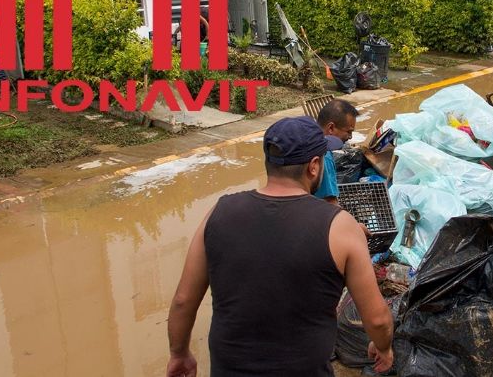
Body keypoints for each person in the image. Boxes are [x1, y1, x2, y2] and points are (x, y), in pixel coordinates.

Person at [166, 116, 394, 377]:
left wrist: (179, 353)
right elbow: (377, 319)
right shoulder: (342, 227)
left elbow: (183, 301)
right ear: (314, 166)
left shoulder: (219, 212)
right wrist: (384, 346)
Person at [314, 98, 358, 204]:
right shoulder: (324, 156)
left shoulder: (304, 141)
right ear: (331, 128)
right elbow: (330, 203)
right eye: (349, 131)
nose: (350, 137)